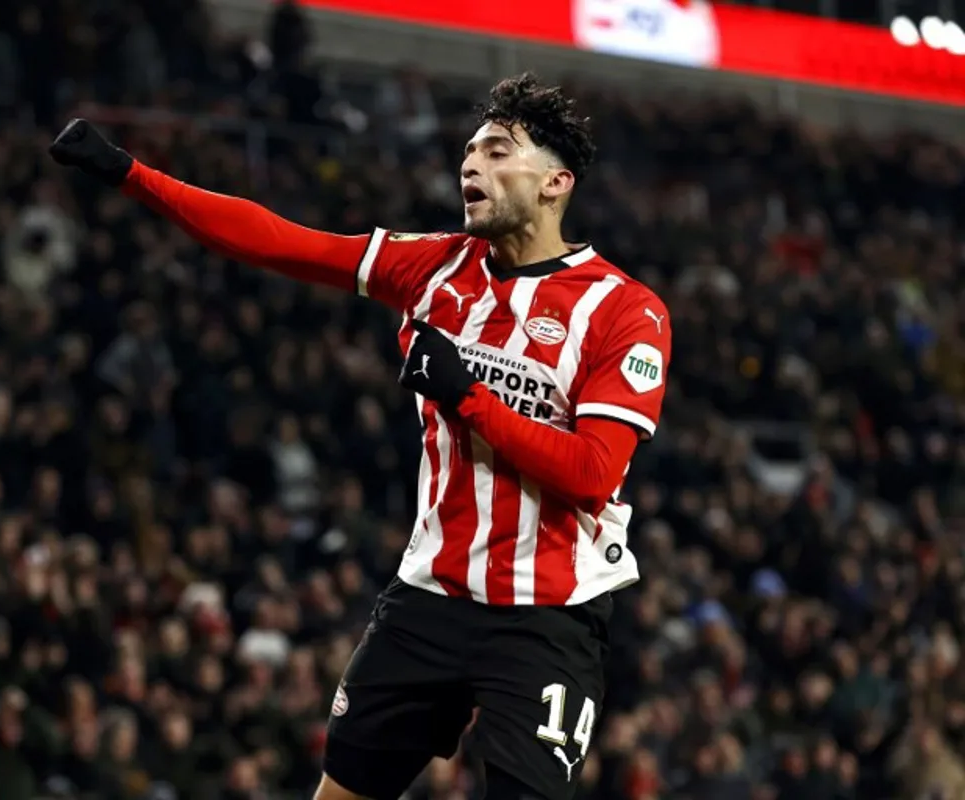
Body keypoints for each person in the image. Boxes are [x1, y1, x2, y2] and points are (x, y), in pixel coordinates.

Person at [49, 73, 672, 800]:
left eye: (499, 151)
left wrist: (466, 396)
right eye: (468, 151)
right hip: (430, 595)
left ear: (555, 182)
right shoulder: (437, 268)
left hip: (547, 616)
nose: (471, 164)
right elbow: (280, 242)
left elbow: (593, 473)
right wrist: (131, 174)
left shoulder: (624, 310)